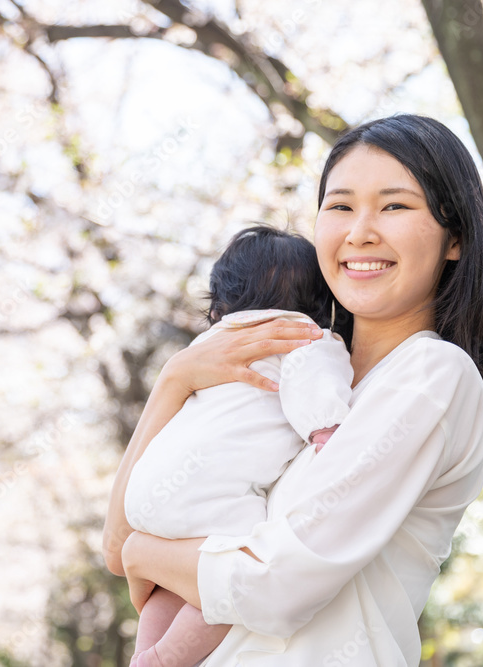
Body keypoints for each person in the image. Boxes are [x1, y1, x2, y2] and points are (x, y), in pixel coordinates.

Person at [103, 114, 483, 666]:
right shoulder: (287, 373)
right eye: (340, 206)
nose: (360, 231)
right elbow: (116, 544)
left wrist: (144, 552)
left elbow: (274, 585)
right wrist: (176, 380)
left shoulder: (432, 375)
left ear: (454, 236)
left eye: (394, 206)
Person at [125, 224, 354, 667]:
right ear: (320, 303)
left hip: (147, 495)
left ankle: (143, 653)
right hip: (211, 497)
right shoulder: (303, 336)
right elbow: (315, 378)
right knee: (238, 568)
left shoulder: (209, 344)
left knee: (175, 582)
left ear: (220, 303)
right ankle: (167, 657)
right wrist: (325, 429)